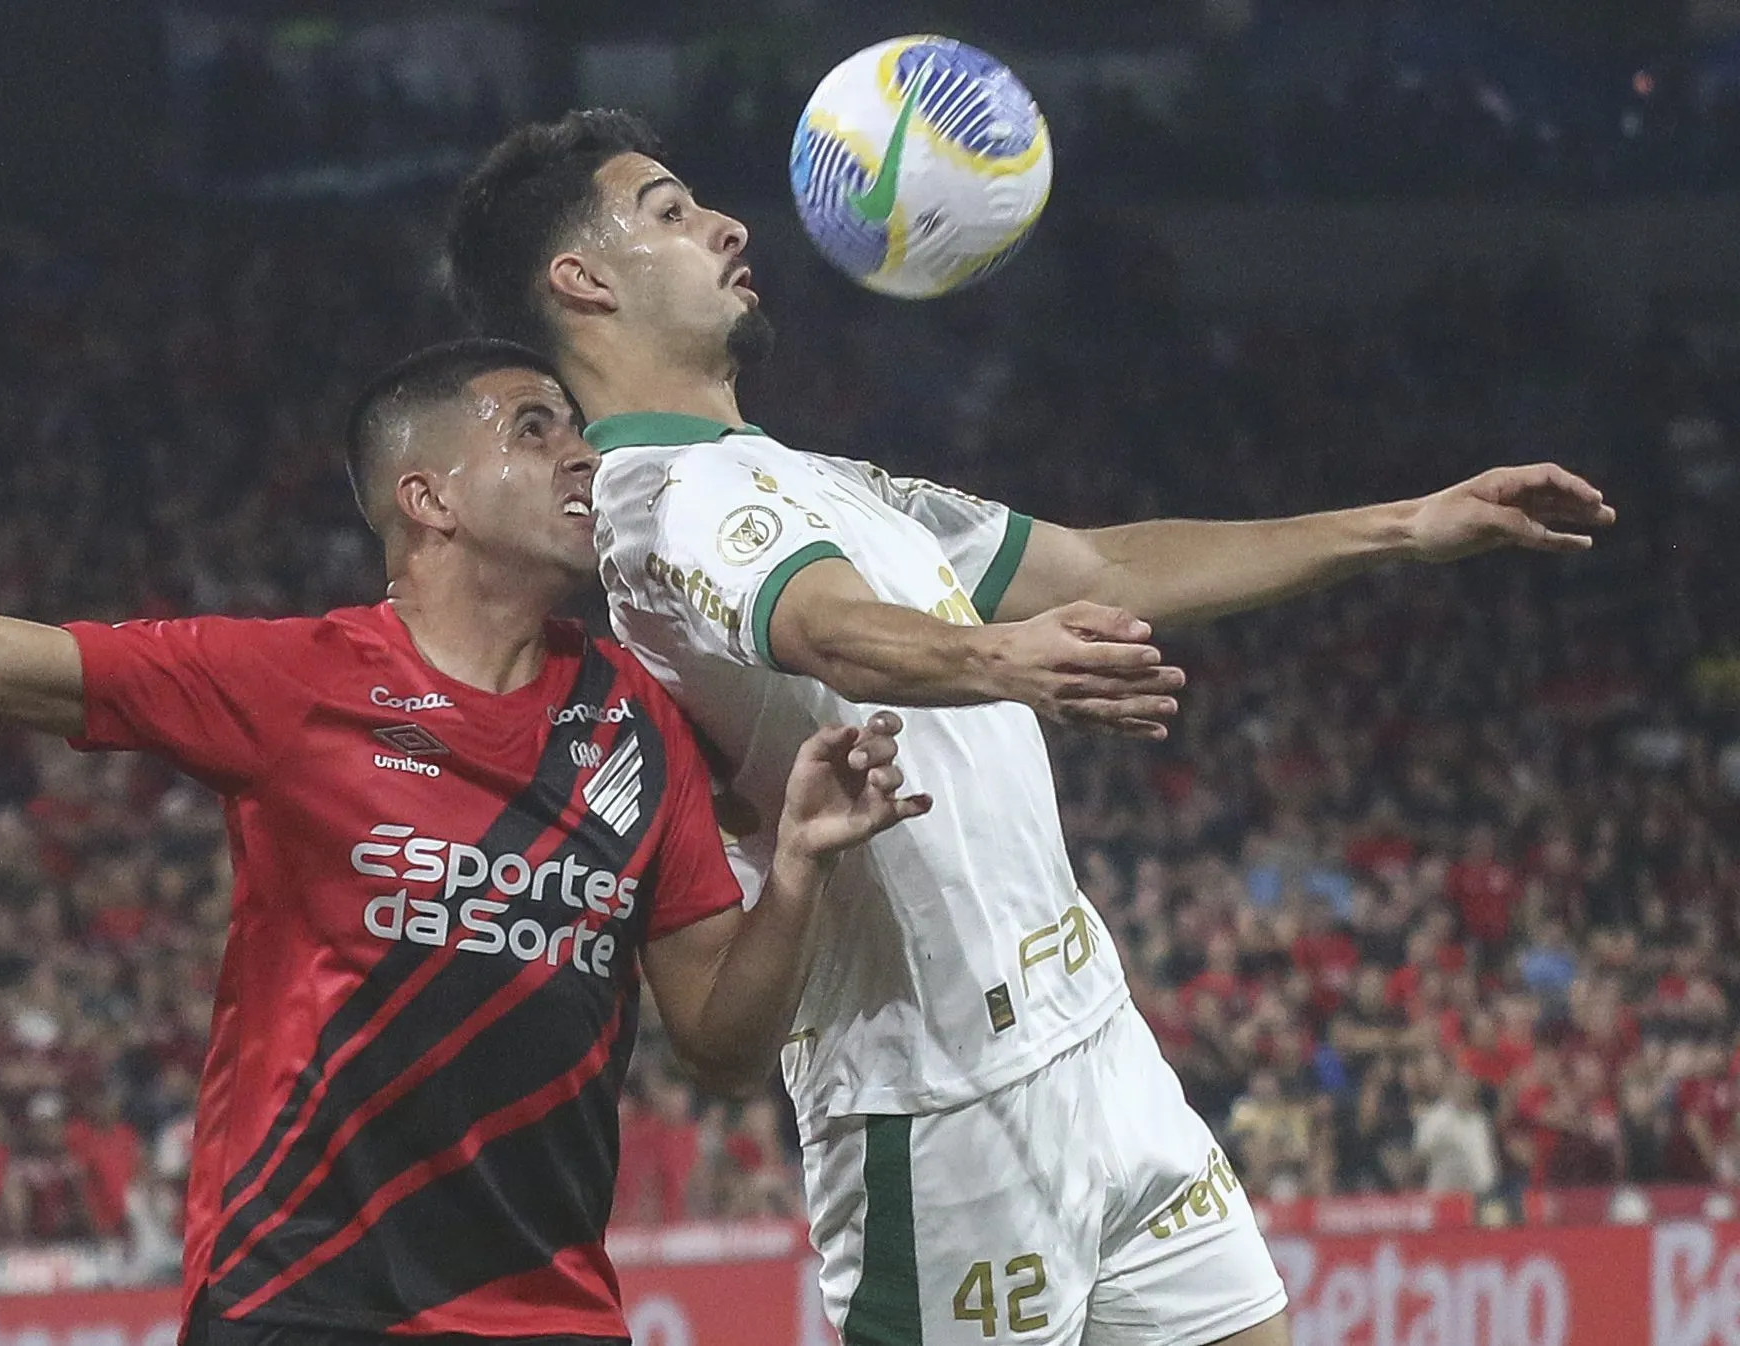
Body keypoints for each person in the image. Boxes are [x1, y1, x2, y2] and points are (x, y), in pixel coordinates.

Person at [446, 110, 1617, 1346]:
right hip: (937, 1103)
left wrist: (1406, 524)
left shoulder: (833, 483)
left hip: (1098, 1042)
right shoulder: (656, 503)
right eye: (671, 213)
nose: (729, 225)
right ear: (581, 281)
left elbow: (1101, 561)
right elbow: (827, 627)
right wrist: (994, 657)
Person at [0, 338, 929, 1345]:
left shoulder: (636, 721)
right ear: (425, 499)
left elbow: (726, 1045)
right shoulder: (290, 680)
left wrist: (795, 867)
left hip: (545, 1308)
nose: (583, 454)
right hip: (300, 1295)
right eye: (535, 427)